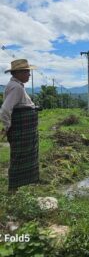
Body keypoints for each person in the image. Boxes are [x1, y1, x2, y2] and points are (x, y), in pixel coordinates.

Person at [0, 59, 39, 191]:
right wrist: (7, 126)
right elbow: (5, 109)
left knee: (22, 155)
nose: (29, 75)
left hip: (24, 129)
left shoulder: (17, 86)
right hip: (20, 129)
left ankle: (17, 188)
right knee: (19, 157)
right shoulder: (16, 87)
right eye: (27, 72)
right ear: (19, 73)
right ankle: (13, 189)